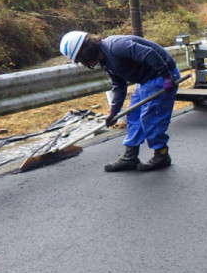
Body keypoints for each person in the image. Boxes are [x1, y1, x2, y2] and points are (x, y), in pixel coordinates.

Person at [59, 31, 180, 172]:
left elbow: (150, 54)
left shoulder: (116, 46)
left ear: (86, 52)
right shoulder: (105, 61)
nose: (84, 64)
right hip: (145, 81)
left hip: (162, 76)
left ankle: (162, 155)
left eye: (81, 59)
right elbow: (119, 85)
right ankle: (130, 157)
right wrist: (113, 112)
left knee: (150, 118)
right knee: (133, 115)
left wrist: (166, 76)